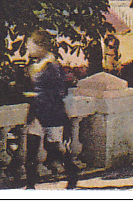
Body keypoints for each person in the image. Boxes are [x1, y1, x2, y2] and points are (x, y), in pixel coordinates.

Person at [22, 29, 79, 189]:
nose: (28, 49)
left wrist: (38, 97)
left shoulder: (51, 66)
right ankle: (30, 184)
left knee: (55, 147)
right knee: (31, 148)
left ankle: (72, 173)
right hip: (37, 111)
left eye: (30, 45)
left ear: (41, 46)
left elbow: (60, 91)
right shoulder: (36, 64)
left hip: (50, 112)